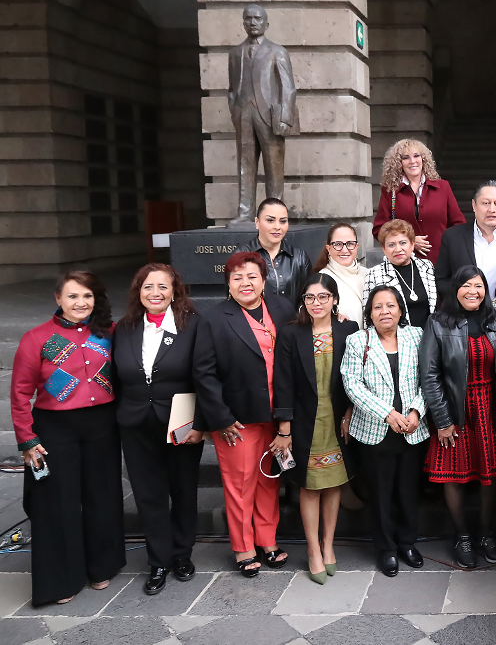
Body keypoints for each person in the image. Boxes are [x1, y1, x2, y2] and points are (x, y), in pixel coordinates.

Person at [11, 270, 125, 605]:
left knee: (101, 496)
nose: (81, 303)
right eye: (73, 296)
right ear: (58, 299)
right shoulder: (37, 339)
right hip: (54, 430)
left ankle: (101, 566)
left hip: (102, 425)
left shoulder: (109, 332)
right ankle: (62, 580)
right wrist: (27, 440)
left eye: (87, 296)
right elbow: (20, 394)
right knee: (56, 503)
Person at [194, 251, 296, 577]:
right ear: (228, 284)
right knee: (240, 484)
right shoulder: (213, 318)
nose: (245, 283)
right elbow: (204, 374)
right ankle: (243, 547)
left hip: (277, 414)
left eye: (252, 276)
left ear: (263, 280)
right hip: (237, 419)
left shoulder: (282, 308)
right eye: (237, 277)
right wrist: (220, 417)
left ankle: (268, 539)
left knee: (269, 480)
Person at [112, 264, 204, 596]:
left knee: (182, 490)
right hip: (136, 422)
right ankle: (158, 560)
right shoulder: (124, 328)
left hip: (180, 420)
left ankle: (182, 554)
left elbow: (204, 375)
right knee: (149, 495)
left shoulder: (192, 325)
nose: (155, 293)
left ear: (175, 291)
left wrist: (201, 424)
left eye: (163, 287)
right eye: (148, 286)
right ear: (139, 291)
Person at [419, 266, 496, 568]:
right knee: (454, 476)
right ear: (455, 289)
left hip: (491, 408)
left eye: (478, 286)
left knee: (491, 476)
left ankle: (486, 534)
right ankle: (463, 536)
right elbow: (430, 375)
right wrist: (442, 420)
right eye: (466, 285)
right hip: (455, 410)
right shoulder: (438, 323)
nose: (472, 291)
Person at [274, 275, 359, 584]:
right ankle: (312, 550)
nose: (317, 303)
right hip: (304, 421)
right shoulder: (291, 334)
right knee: (310, 485)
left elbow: (355, 377)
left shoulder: (348, 329)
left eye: (323, 297)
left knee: (333, 483)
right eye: (310, 298)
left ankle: (328, 545)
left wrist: (351, 412)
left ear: (334, 300)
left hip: (337, 420)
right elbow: (282, 382)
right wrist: (284, 429)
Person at [341, 286, 431, 578]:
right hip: (375, 430)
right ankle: (386, 549)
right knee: (380, 492)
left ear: (400, 310)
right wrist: (387, 413)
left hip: (412, 429)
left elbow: (429, 378)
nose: (385, 312)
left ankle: (407, 543)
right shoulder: (357, 341)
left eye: (390, 305)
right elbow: (352, 384)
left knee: (408, 490)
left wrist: (416, 410)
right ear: (369, 313)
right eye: (378, 307)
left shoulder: (416, 336)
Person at [226, 4, 299, 224]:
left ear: (266, 23)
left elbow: (288, 87)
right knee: (245, 164)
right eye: (248, 18)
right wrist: (234, 110)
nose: (253, 22)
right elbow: (231, 87)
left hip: (269, 114)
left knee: (273, 165)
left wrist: (285, 117)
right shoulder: (235, 53)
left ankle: (275, 213)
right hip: (243, 113)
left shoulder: (277, 51)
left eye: (257, 18)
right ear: (243, 22)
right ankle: (245, 212)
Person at [372, 138, 465, 263]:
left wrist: (449, 248)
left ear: (423, 159)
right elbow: (380, 229)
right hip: (405, 263)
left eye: (416, 156)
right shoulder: (390, 190)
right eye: (405, 158)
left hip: (441, 261)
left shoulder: (443, 187)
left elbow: (459, 225)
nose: (412, 161)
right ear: (398, 163)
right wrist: (409, 241)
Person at [363, 220, 437, 329]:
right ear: (384, 249)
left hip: (430, 339)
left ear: (412, 244)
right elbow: (368, 317)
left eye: (403, 243)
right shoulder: (375, 273)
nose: (398, 249)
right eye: (391, 245)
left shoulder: (427, 266)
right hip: (396, 341)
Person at [237, 197, 312, 304]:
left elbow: (310, 297)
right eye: (270, 220)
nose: (277, 227)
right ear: (257, 222)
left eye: (283, 221)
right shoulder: (242, 256)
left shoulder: (299, 257)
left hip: (293, 320)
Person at [313, 222, 372, 323]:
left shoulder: (369, 274)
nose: (344, 250)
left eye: (350, 244)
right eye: (338, 244)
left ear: (357, 247)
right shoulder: (322, 280)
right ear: (329, 249)